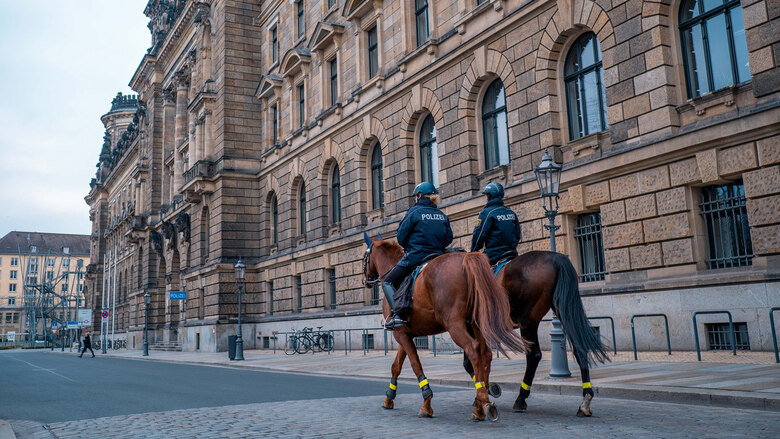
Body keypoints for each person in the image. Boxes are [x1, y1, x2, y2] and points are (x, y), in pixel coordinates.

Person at [382, 182, 453, 329]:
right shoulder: (441, 215)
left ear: (419, 196)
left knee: (387, 282)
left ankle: (398, 316)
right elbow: (449, 239)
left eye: (415, 196)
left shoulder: (414, 212)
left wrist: (410, 247)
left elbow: (401, 236)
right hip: (438, 256)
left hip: (416, 256)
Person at [470, 182, 521, 265]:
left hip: (493, 255)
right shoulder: (511, 213)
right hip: (511, 253)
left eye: (486, 195)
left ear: (489, 196)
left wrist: (473, 251)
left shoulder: (487, 213)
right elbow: (517, 235)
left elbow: (479, 236)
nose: (486, 198)